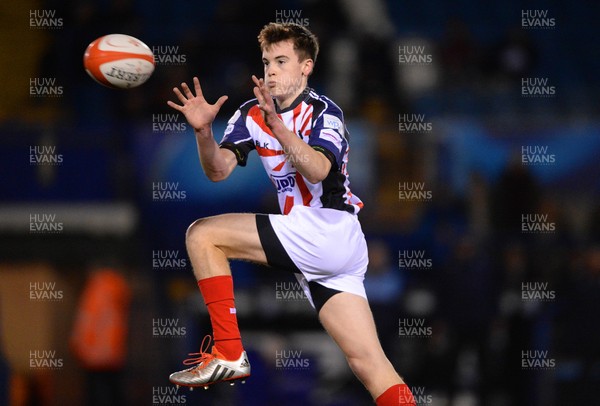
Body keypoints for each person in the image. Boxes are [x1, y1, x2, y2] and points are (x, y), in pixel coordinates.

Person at [167, 22, 415, 405]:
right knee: (369, 363)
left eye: (282, 61)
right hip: (323, 249)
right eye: (267, 62)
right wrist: (203, 134)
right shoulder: (252, 113)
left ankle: (229, 352)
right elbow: (217, 170)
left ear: (306, 67)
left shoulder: (324, 112)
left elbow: (317, 169)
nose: (271, 71)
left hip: (327, 228)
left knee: (201, 235)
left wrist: (280, 130)